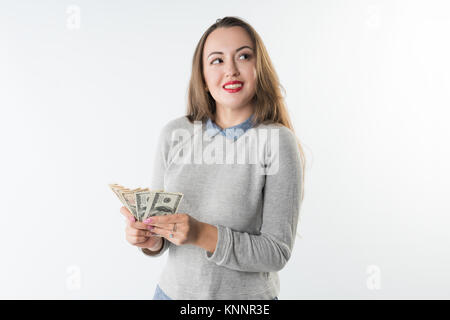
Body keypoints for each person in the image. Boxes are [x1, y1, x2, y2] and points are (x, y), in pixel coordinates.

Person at [120, 16, 305, 300]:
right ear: (203, 78)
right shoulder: (174, 134)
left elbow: (275, 252)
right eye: (217, 60)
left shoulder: (278, 142)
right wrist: (148, 238)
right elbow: (160, 234)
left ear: (259, 69)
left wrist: (200, 234)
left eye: (243, 56)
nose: (231, 70)